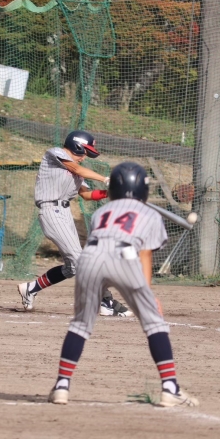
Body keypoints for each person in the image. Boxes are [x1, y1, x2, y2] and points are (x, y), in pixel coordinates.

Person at [47, 162, 198, 407]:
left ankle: (62, 386)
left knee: (80, 325)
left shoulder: (101, 213)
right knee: (154, 323)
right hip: (125, 256)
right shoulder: (150, 214)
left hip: (90, 259)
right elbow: (144, 255)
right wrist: (148, 294)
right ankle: (170, 388)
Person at [17, 130, 133, 317]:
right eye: (84, 152)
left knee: (71, 267)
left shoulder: (77, 171)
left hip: (64, 213)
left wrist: (110, 192)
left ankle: (31, 288)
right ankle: (105, 301)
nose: (84, 157)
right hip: (50, 211)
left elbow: (87, 194)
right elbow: (77, 169)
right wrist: (106, 179)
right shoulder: (55, 153)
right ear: (76, 145)